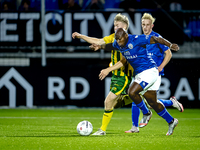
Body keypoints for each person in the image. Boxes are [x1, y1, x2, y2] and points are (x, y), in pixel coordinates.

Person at [98, 13, 184, 133]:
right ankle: (171, 121)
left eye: (121, 40)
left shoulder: (138, 39)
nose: (119, 43)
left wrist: (170, 45)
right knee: (153, 102)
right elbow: (109, 47)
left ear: (126, 36)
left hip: (150, 71)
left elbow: (158, 40)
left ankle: (145, 115)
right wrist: (99, 46)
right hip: (141, 74)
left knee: (132, 92)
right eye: (143, 24)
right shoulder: (119, 43)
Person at [72, 13, 147, 136]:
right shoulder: (114, 37)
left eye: (117, 25)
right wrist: (81, 36)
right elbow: (98, 41)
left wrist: (108, 69)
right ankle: (136, 97)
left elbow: (124, 61)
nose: (115, 28)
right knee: (114, 104)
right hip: (116, 76)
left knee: (108, 101)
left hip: (123, 76)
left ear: (125, 26)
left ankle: (102, 130)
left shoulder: (128, 40)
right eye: (114, 25)